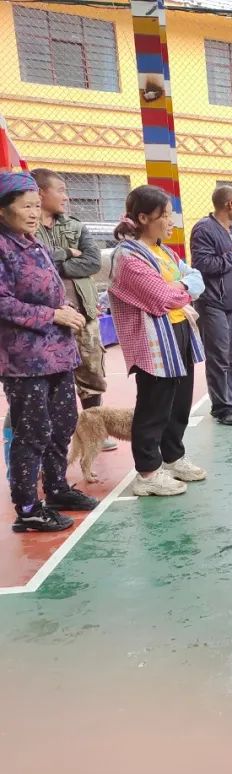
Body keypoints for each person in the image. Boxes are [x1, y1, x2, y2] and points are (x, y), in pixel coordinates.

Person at [0, 171, 98, 531]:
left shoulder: (34, 243)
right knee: (32, 430)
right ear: (2, 210)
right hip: (25, 359)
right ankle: (27, 508)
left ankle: (57, 488)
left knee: (63, 423)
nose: (32, 213)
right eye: (25, 207)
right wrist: (52, 315)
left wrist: (66, 309)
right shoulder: (3, 248)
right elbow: (3, 302)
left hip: (57, 352)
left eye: (35, 206)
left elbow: (50, 292)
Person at [109, 185, 207, 497]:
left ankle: (173, 457)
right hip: (153, 341)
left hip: (178, 331)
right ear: (142, 217)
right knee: (154, 406)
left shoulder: (165, 252)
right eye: (164, 215)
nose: (170, 221)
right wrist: (183, 287)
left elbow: (197, 278)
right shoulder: (128, 257)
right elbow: (161, 297)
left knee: (179, 402)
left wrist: (181, 286)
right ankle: (148, 473)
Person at [32, 169, 111, 432]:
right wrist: (67, 252)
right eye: (61, 190)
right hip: (49, 317)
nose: (66, 197)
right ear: (41, 193)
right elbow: (33, 263)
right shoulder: (26, 226)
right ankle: (56, 432)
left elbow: (93, 262)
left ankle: (92, 428)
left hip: (83, 313)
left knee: (92, 373)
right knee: (51, 378)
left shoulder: (76, 226)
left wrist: (56, 264)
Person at [189, 185, 232, 426]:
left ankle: (231, 400)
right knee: (219, 356)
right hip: (212, 303)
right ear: (230, 204)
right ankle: (222, 407)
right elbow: (203, 265)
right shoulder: (203, 229)